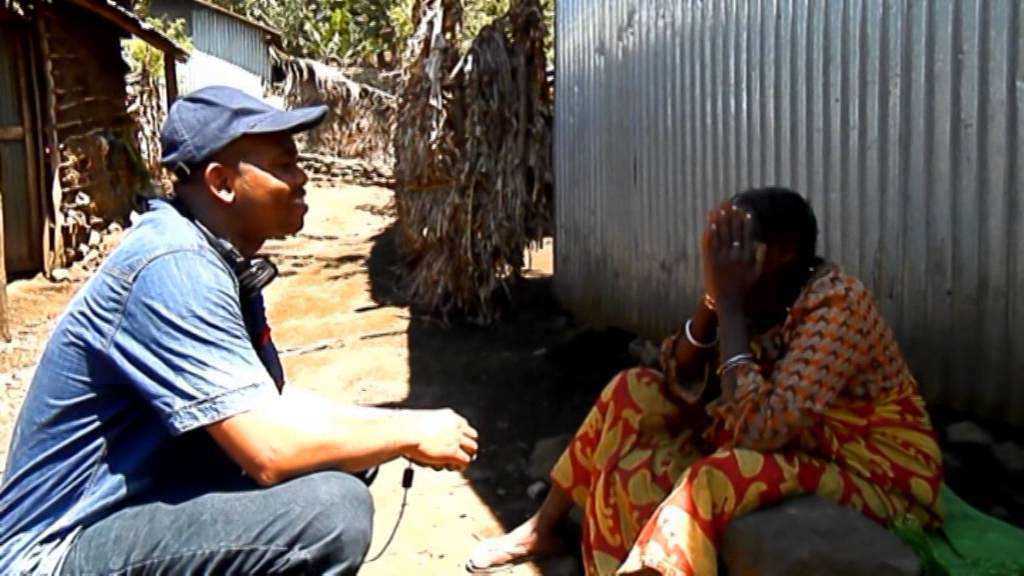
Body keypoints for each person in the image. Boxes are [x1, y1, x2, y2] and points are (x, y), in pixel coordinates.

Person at [0, 86, 479, 576]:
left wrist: (386, 428)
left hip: (123, 515)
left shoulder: (212, 257)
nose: (302, 178)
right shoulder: (174, 267)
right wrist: (405, 431)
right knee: (330, 512)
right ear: (222, 182)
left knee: (351, 455)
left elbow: (271, 401)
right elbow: (269, 449)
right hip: (53, 553)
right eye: (284, 164)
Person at [466, 187, 944, 575]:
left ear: (782, 254)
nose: (721, 259)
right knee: (631, 389)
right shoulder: (754, 293)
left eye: (735, 247)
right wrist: (715, 302)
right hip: (781, 440)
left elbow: (763, 432)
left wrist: (731, 307)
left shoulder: (836, 306)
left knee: (713, 479)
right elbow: (677, 374)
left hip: (875, 475)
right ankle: (542, 528)